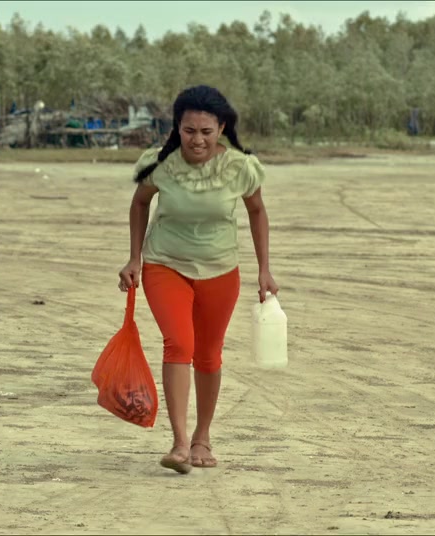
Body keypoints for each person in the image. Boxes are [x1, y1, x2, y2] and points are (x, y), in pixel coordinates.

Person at [117, 85, 278, 474]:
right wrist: (135, 257)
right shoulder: (160, 164)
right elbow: (140, 203)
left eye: (206, 131)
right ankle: (179, 443)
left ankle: (201, 438)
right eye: (189, 130)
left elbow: (257, 212)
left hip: (221, 269)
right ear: (177, 127)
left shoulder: (240, 167)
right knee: (179, 344)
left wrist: (264, 269)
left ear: (221, 128)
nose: (198, 139)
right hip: (165, 265)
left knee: (208, 354)